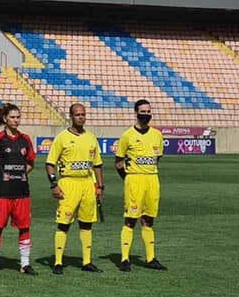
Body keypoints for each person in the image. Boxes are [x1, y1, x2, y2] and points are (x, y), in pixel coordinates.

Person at [0, 103, 37, 277]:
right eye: (12, 117)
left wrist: (19, 174)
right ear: (5, 118)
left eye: (18, 117)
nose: (16, 120)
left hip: (22, 191)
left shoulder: (25, 139)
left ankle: (25, 264)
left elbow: (31, 163)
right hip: (2, 193)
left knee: (25, 227)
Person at [46, 103, 104, 275]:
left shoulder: (91, 138)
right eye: (78, 114)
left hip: (87, 183)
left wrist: (100, 186)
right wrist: (54, 184)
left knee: (86, 224)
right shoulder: (62, 138)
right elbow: (50, 164)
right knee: (64, 224)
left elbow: (98, 165)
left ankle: (87, 261)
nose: (81, 117)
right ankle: (58, 262)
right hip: (68, 183)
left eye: (83, 114)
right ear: (71, 116)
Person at [115, 99, 167, 272]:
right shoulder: (127, 135)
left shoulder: (157, 135)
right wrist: (128, 178)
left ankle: (151, 258)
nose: (146, 115)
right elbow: (118, 162)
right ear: (136, 113)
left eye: (148, 111)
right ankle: (124, 259)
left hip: (152, 179)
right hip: (134, 180)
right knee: (130, 219)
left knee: (148, 220)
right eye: (142, 112)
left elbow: (157, 158)